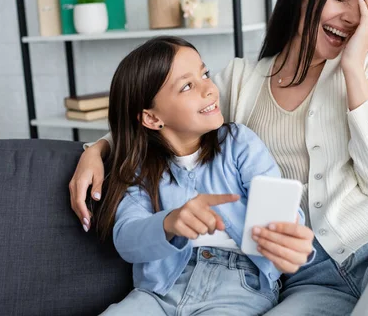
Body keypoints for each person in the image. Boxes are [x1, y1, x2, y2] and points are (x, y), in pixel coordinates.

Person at [71, 0, 368, 315]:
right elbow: (162, 112)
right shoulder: (240, 81)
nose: (352, 15)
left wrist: (353, 68)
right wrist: (98, 149)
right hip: (313, 277)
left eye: (365, 3)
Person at [96, 36, 314, 315]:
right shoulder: (137, 169)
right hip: (159, 290)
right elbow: (127, 239)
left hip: (238, 285)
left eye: (205, 74)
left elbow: (281, 209)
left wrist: (289, 232)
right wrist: (169, 222)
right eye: (188, 86)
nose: (209, 88)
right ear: (151, 118)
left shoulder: (238, 143)